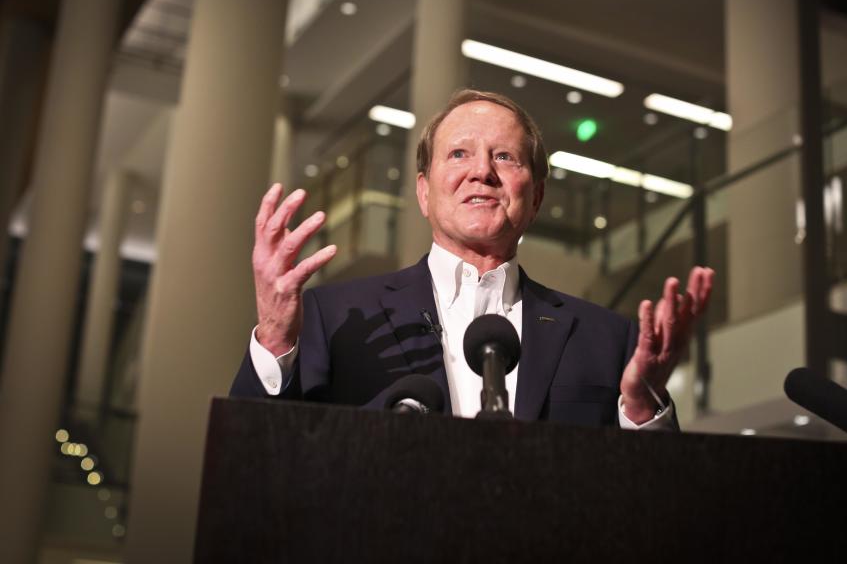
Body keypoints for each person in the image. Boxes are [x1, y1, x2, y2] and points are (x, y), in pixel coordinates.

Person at [231, 89, 714, 429]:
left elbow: (651, 500)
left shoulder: (609, 340)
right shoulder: (333, 317)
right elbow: (255, 450)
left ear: (537, 195)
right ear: (423, 191)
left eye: (505, 157)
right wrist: (273, 336)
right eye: (459, 154)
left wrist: (641, 405)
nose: (481, 171)